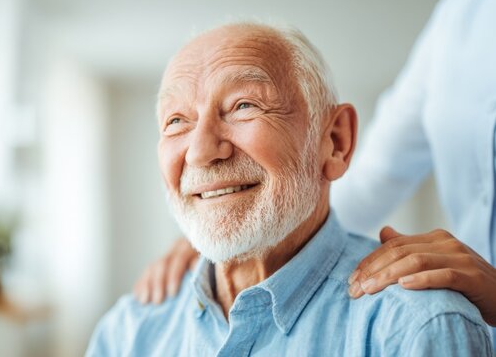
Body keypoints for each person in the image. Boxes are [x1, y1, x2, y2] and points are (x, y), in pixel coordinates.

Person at [86, 23, 492, 356]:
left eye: (244, 105)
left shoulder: (419, 328)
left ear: (335, 140)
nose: (201, 151)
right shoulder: (127, 332)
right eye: (176, 120)